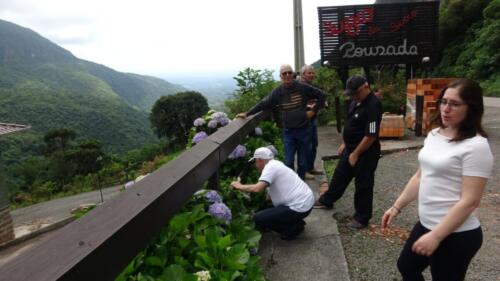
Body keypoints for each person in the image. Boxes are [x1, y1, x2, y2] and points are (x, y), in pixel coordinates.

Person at [381, 78, 494, 281]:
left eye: (455, 104)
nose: (446, 109)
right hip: (427, 223)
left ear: (472, 108)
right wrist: (396, 207)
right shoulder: (434, 134)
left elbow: (470, 201)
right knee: (406, 266)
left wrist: (437, 236)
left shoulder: (476, 146)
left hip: (457, 234)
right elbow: (420, 175)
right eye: (444, 101)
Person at [314, 75, 382, 230]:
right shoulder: (355, 102)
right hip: (350, 148)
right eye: (352, 93)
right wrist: (344, 143)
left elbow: (371, 135)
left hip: (365, 152)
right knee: (340, 175)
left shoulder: (373, 105)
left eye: (356, 92)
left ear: (366, 87)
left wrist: (356, 154)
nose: (354, 96)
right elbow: (350, 123)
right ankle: (327, 200)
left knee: (363, 184)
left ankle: (362, 217)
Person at [236, 64, 325, 180]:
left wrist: (313, 111)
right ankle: (291, 183)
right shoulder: (278, 92)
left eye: (289, 72)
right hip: (288, 132)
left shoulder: (302, 87)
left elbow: (321, 95)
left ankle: (300, 182)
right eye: (284, 73)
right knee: (288, 162)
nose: (287, 75)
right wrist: (248, 113)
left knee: (303, 162)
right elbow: (263, 103)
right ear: (281, 76)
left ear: (293, 75)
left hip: (304, 129)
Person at [231, 147, 315, 240]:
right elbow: (269, 197)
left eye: (255, 162)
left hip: (300, 206)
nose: (255, 165)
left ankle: (292, 229)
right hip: (307, 202)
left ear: (260, 160)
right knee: (269, 212)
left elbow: (256, 189)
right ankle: (296, 221)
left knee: (259, 218)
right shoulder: (276, 164)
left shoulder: (270, 167)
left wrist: (239, 186)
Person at [300, 65, 323, 180]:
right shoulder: (300, 86)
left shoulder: (311, 85)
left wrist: (318, 103)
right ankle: (304, 171)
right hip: (305, 120)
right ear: (303, 74)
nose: (312, 75)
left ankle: (310, 167)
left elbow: (317, 99)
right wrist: (314, 106)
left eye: (313, 73)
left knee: (313, 144)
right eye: (309, 73)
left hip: (313, 119)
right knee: (306, 145)